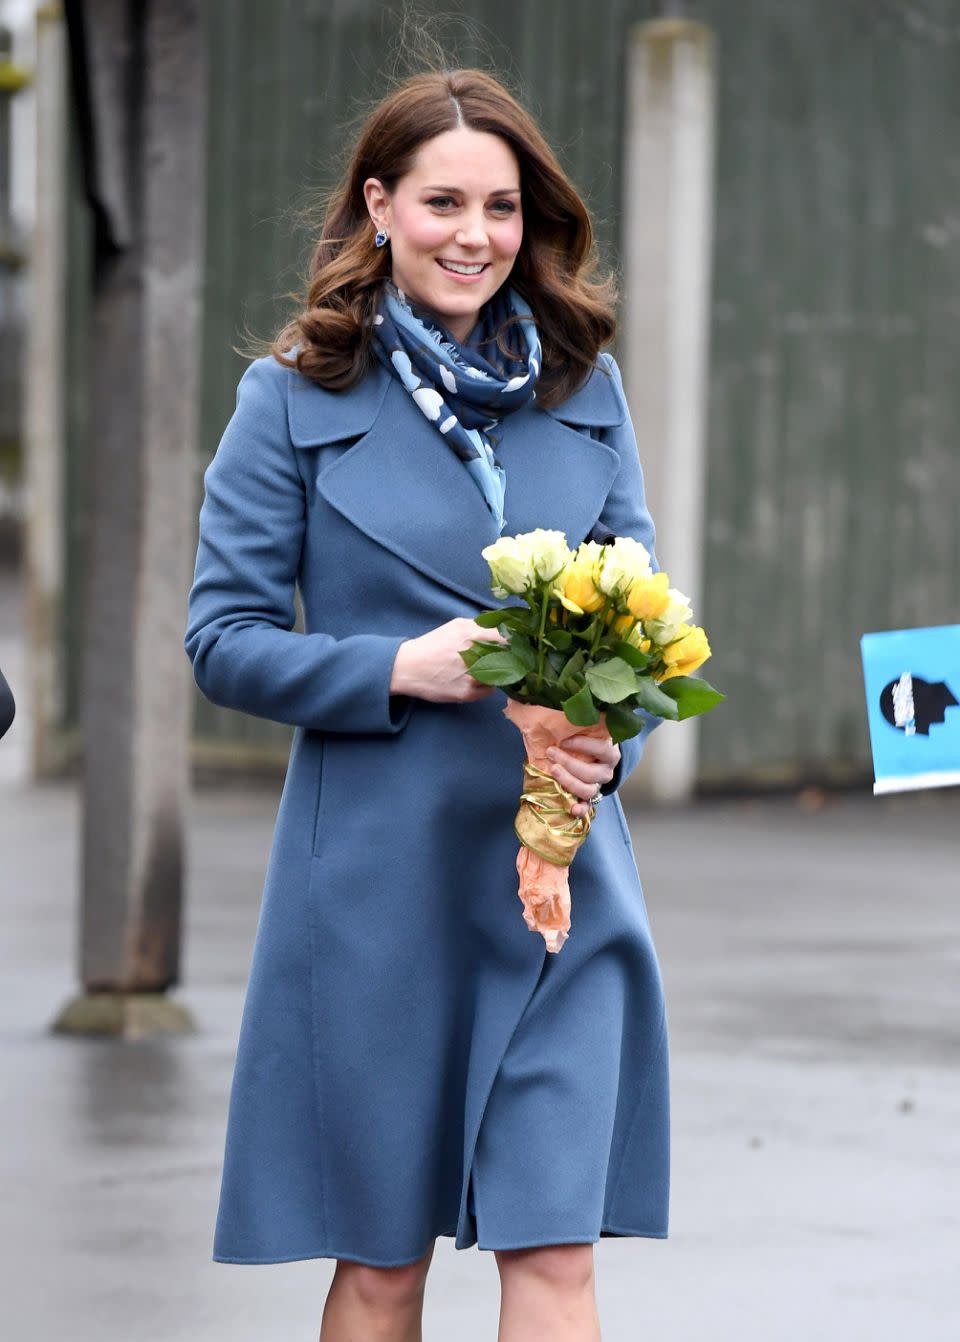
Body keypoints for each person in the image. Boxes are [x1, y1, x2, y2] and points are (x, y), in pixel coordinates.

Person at [185, 67, 669, 1342]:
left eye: (503, 207)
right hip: (377, 887)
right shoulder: (289, 396)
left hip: (560, 882)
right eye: (444, 200)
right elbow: (223, 642)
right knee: (383, 1266)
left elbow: (652, 634)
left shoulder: (586, 387)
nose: (475, 233)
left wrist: (611, 734)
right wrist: (403, 665)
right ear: (379, 205)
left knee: (555, 1250)